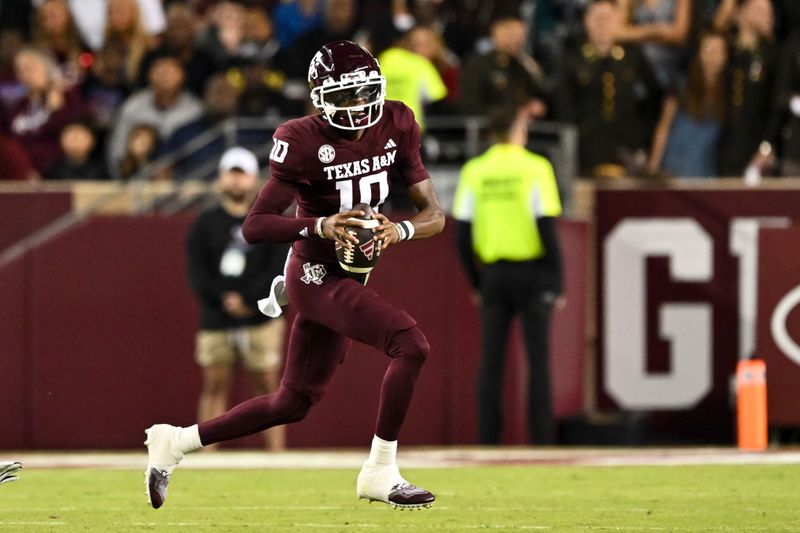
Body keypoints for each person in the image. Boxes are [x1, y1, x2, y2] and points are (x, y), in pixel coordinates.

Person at [144, 40, 444, 510]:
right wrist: (320, 224)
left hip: (351, 273)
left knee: (293, 402)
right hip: (317, 273)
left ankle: (175, 442)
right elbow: (256, 224)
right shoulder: (301, 140)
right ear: (319, 97)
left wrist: (400, 229)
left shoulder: (398, 121)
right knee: (410, 344)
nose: (359, 105)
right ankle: (380, 470)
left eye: (366, 92)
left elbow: (434, 215)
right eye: (345, 97)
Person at [453, 107, 564, 445]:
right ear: (518, 130)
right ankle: (542, 440)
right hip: (531, 271)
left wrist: (475, 281)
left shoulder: (475, 170)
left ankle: (489, 440)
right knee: (539, 361)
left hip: (494, 275)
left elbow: (462, 232)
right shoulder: (535, 167)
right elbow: (546, 226)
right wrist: (557, 280)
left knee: (491, 362)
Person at [186, 147, 288, 452]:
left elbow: (279, 268)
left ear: (254, 180)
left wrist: (248, 298)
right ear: (220, 178)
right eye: (231, 174)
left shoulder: (270, 221)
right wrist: (224, 299)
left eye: (241, 174)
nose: (236, 181)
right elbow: (197, 272)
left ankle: (277, 456)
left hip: (261, 315)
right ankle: (208, 454)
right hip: (217, 316)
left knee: (268, 386)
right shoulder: (204, 224)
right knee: (215, 383)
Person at [558, 0, 662, 178]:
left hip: (626, 146)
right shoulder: (572, 59)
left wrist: (642, 136)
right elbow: (564, 105)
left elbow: (654, 97)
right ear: (586, 21)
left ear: (618, 21)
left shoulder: (633, 56)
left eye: (608, 18)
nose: (602, 24)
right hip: (586, 149)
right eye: (597, 18)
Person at [107, 55, 203, 178]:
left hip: (181, 180)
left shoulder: (195, 110)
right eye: (160, 71)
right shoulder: (133, 106)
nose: (165, 77)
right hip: (135, 179)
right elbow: (117, 150)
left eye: (171, 72)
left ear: (183, 75)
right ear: (149, 75)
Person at [647, 32, 728, 178]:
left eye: (718, 51)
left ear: (725, 56)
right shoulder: (681, 86)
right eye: (708, 50)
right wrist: (653, 166)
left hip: (706, 171)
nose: (713, 57)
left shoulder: (729, 94)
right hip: (675, 168)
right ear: (699, 53)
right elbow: (664, 126)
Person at [717, 0, 777, 177]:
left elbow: (775, 106)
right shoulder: (727, 53)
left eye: (770, 11)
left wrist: (767, 146)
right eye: (760, 10)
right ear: (740, 13)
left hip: (756, 151)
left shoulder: (772, 56)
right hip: (724, 148)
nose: (769, 16)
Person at [459, 16, 548, 119]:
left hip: (526, 129)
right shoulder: (477, 65)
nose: (517, 40)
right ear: (496, 34)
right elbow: (470, 106)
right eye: (512, 34)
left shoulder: (526, 65)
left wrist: (537, 106)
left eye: (521, 36)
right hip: (490, 129)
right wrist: (510, 114)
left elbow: (539, 93)